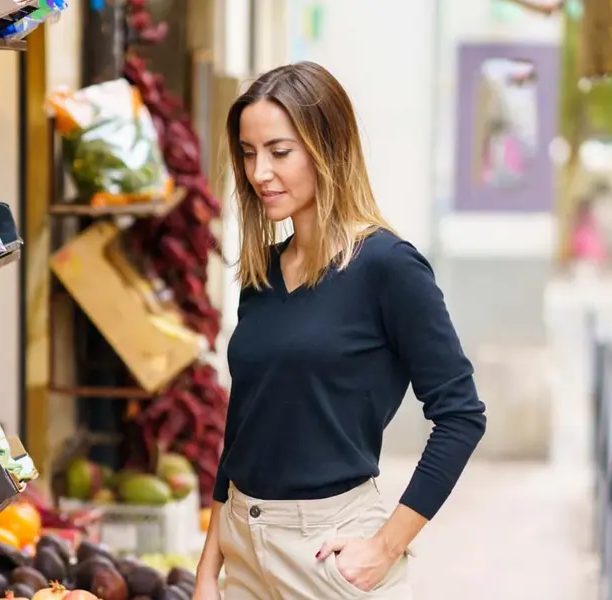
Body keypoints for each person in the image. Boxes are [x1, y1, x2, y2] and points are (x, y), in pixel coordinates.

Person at [192, 62, 487, 599]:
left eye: (279, 152)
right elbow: (243, 429)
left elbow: (461, 415)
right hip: (242, 547)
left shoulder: (388, 267)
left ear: (328, 147)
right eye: (248, 152)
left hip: (326, 549)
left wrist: (385, 545)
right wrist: (209, 568)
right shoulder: (262, 274)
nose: (259, 172)